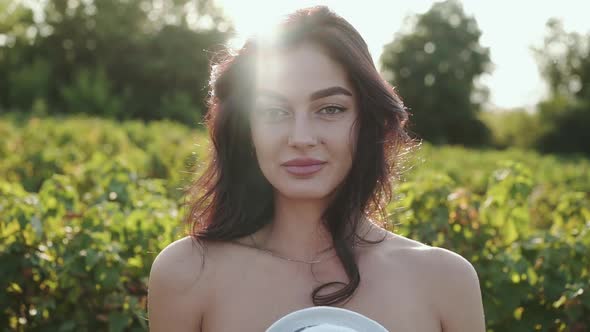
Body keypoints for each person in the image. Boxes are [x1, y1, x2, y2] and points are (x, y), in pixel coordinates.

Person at [147, 6, 486, 332]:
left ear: (368, 121)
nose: (301, 138)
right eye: (274, 112)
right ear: (246, 130)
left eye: (330, 109)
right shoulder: (187, 274)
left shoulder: (446, 282)